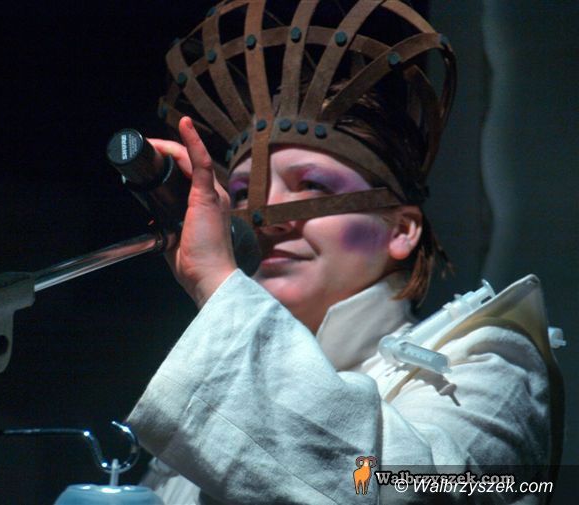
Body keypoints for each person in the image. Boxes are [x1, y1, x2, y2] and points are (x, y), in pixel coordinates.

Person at [127, 1, 564, 503]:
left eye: (312, 185)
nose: (267, 218)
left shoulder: (483, 367)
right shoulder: (193, 432)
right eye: (244, 193)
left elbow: (385, 489)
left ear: (401, 230)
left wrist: (216, 284)